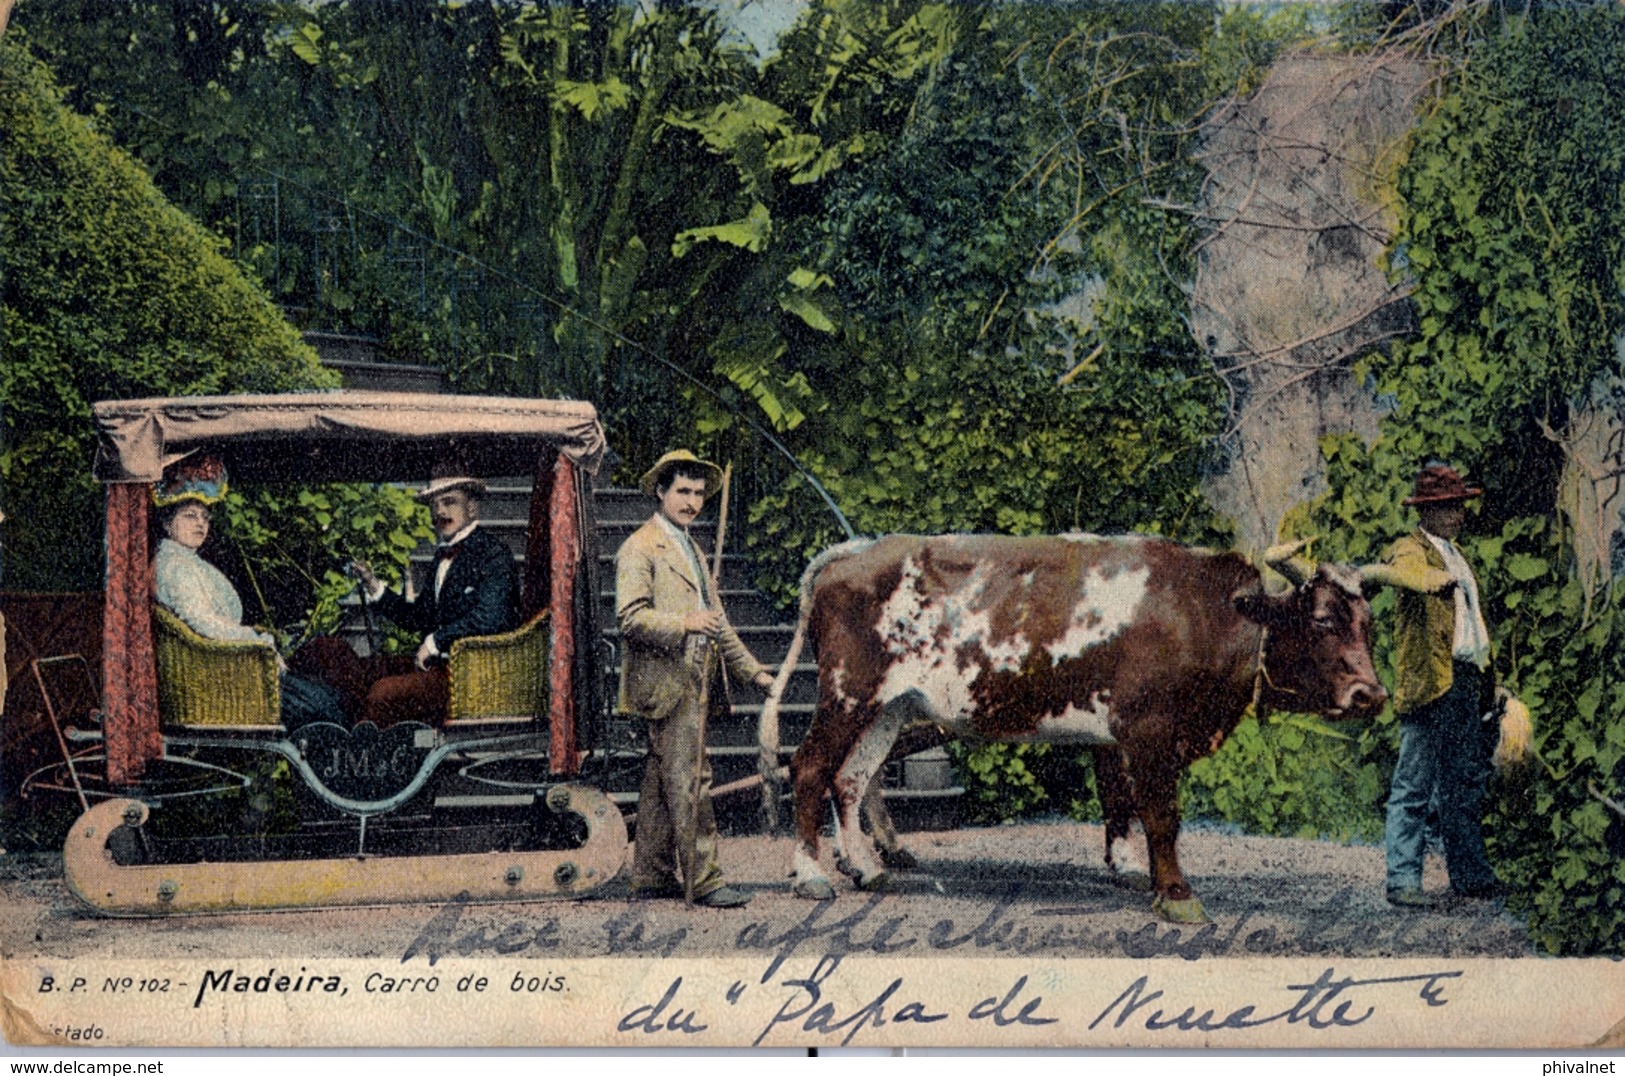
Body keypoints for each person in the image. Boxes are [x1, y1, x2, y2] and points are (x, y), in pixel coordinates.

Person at [617, 450, 774, 908]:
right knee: (690, 780)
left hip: (694, 680)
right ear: (661, 492)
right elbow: (630, 618)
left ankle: (650, 874)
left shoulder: (691, 547)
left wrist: (753, 672)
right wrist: (685, 622)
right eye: (682, 491)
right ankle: (705, 880)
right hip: (666, 684)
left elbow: (718, 620)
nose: (692, 502)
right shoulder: (640, 547)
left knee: (660, 781)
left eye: (699, 493)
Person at [1371, 462, 1507, 909]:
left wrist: (1493, 680)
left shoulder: (1457, 554)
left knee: (1462, 783)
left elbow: (1474, 627)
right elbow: (1407, 572)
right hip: (1432, 682)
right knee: (1413, 784)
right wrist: (1427, 580)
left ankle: (1470, 878)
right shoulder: (1410, 550)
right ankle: (1403, 880)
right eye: (1447, 507)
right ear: (1425, 512)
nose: (1457, 514)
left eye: (1459, 506)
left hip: (1467, 678)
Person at [313, 464, 520, 728]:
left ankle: (366, 757)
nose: (440, 512)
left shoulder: (494, 555)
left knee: (384, 694)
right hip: (438, 668)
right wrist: (373, 585)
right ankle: (340, 743)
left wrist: (436, 641)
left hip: (472, 677)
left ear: (471, 508)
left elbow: (490, 618)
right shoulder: (441, 556)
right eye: (435, 505)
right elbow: (419, 617)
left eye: (449, 502)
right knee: (343, 663)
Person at [150, 456, 347, 731]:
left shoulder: (184, 561)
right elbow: (202, 623)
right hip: (220, 674)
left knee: (329, 696)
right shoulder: (174, 566)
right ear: (168, 523)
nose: (200, 524)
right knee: (323, 705)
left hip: (227, 664)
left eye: (205, 517)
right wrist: (256, 640)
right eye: (190, 516)